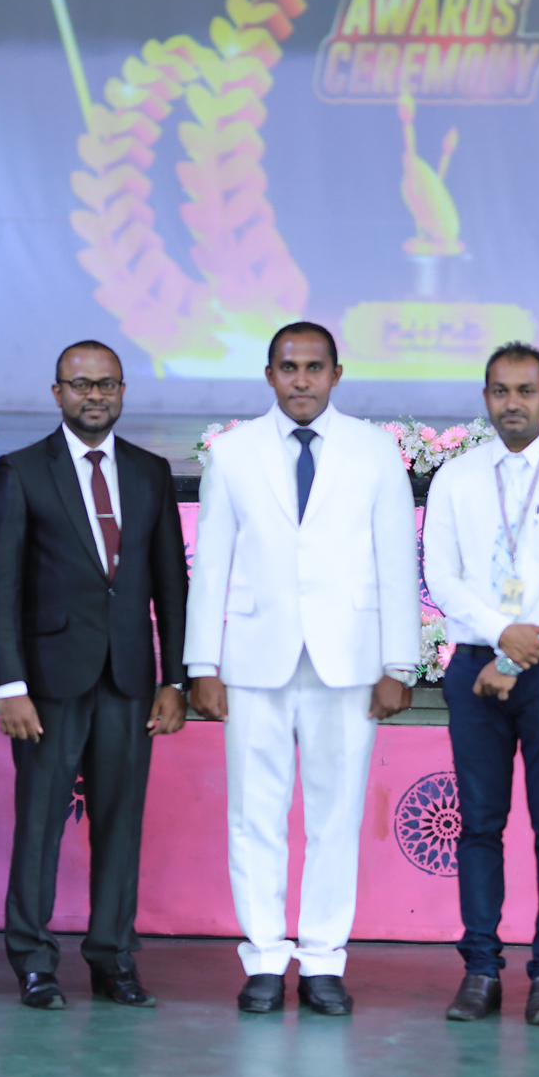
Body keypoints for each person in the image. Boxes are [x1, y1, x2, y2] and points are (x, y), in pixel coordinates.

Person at [187, 322, 420, 1017]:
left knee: (335, 816)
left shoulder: (377, 452)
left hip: (348, 660)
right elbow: (212, 565)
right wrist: (204, 661)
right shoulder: (231, 454)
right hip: (255, 659)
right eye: (288, 368)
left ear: (337, 374)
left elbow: (395, 562)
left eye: (314, 368)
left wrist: (398, 661)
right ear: (269, 375)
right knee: (254, 817)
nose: (301, 380)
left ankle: (322, 960)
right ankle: (262, 958)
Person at [0, 340, 189, 1010]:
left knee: (120, 822)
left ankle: (112, 958)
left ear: (123, 391)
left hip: (129, 679)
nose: (93, 395)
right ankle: (34, 960)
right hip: (46, 683)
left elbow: (170, 585)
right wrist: (10, 684)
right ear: (56, 393)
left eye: (105, 384)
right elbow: (2, 587)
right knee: (40, 822)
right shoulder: (20, 471)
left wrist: (175, 679)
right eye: (80, 385)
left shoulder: (151, 472)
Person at [422, 343, 539, 1026]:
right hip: (476, 664)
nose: (512, 403)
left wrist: (520, 651)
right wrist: (501, 638)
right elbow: (442, 577)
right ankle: (479, 971)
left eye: (525, 391)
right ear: (485, 398)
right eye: (500, 391)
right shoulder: (457, 477)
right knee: (479, 824)